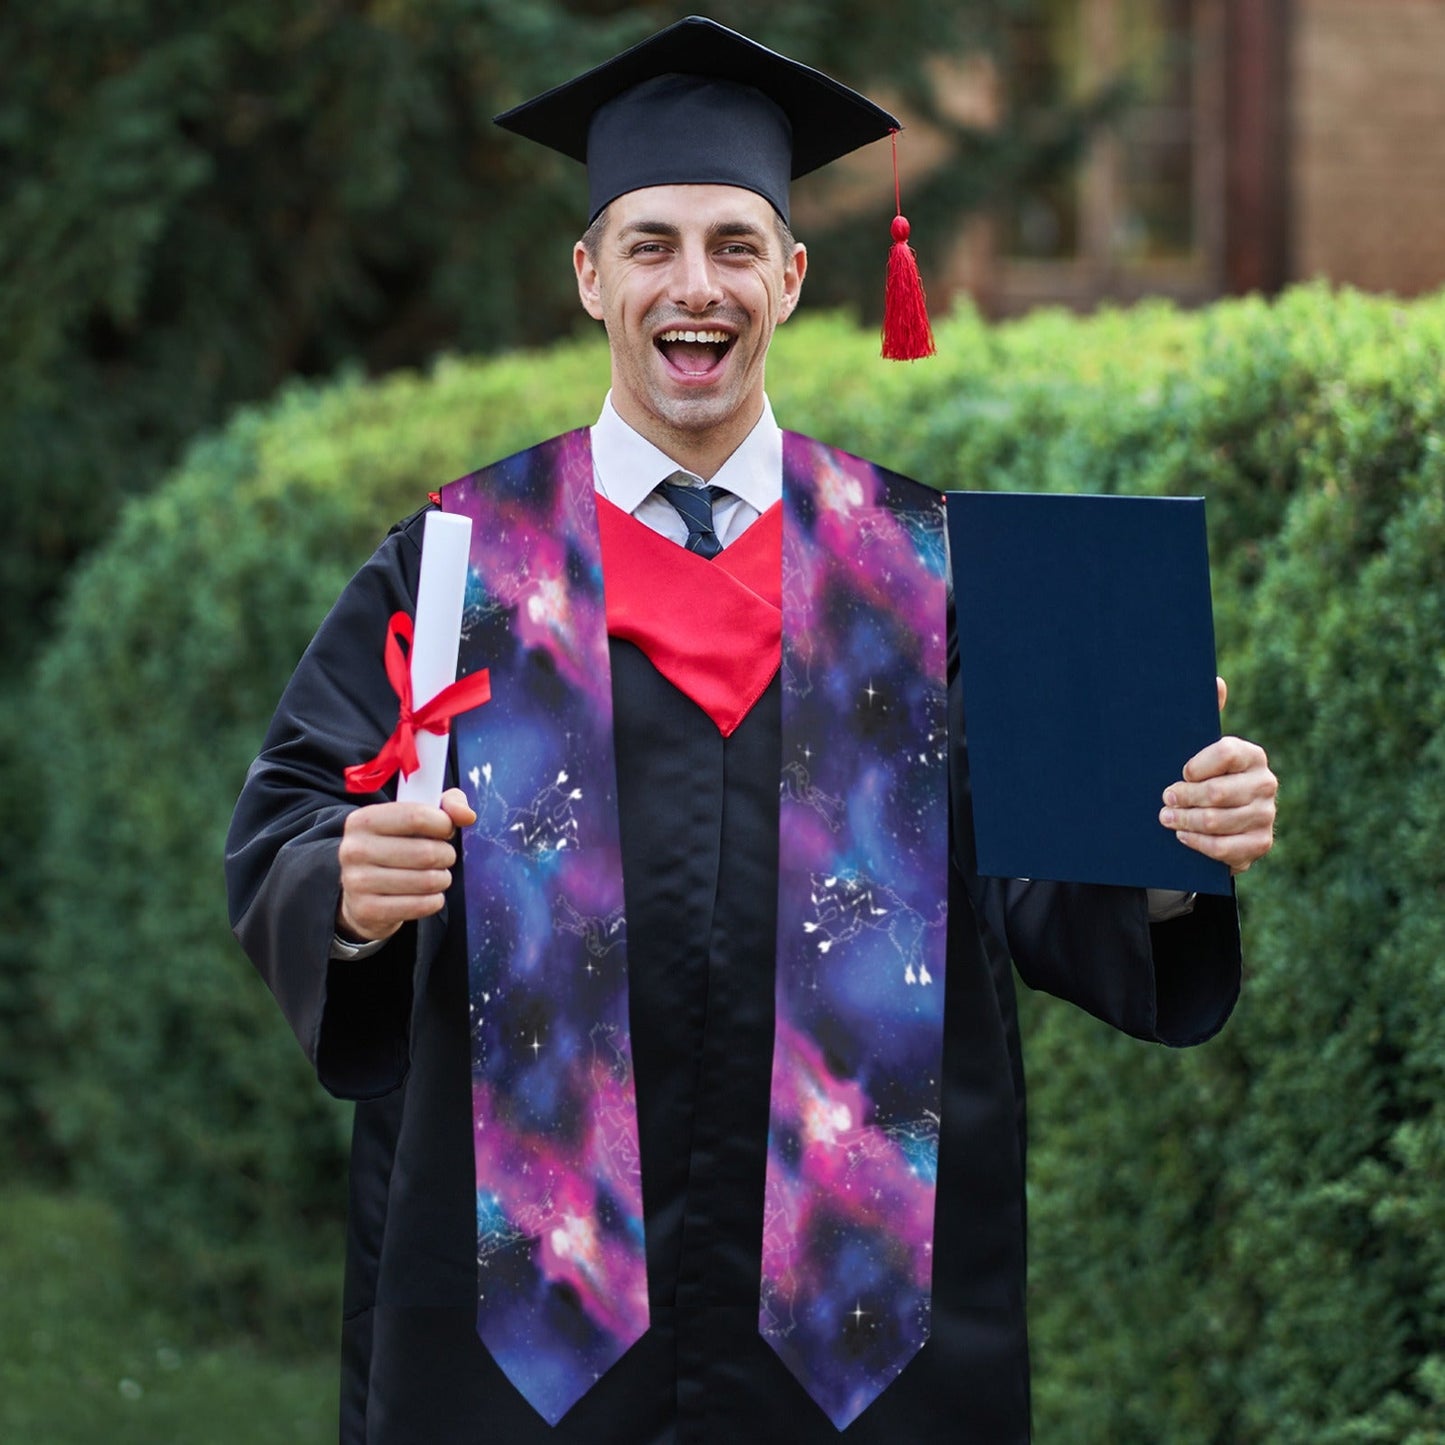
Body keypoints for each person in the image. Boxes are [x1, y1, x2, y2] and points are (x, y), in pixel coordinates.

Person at [225, 17, 1277, 1445]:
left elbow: (1039, 882)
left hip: (861, 1327)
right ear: (589, 275)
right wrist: (343, 888)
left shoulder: (925, 569)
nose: (692, 285)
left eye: (732, 244)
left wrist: (1165, 844)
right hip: (529, 1328)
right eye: (650, 244)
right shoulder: (466, 564)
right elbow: (291, 816)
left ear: (789, 275)